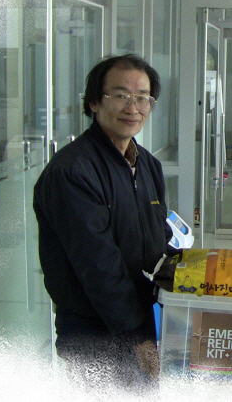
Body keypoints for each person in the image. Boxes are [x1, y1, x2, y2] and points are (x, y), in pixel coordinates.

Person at [33, 54, 172, 394]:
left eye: (143, 98)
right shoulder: (73, 171)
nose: (133, 107)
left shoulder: (147, 164)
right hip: (93, 330)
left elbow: (157, 238)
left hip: (139, 315)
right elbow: (97, 264)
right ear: (94, 102)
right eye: (121, 95)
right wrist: (137, 337)